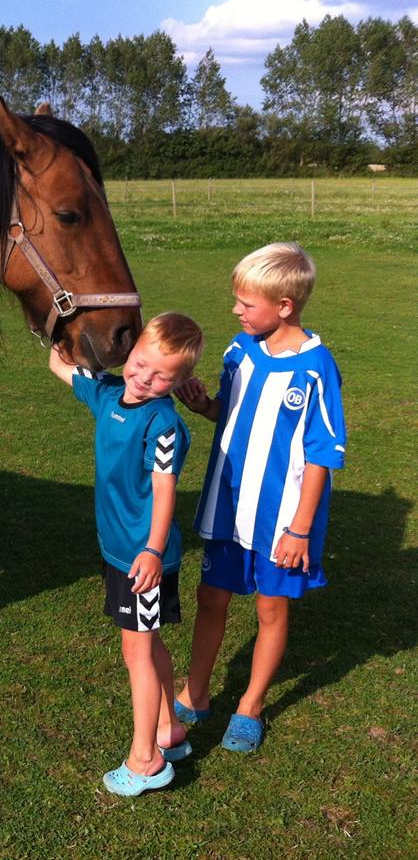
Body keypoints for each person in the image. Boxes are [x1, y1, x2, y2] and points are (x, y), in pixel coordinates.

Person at [172, 242, 346, 754]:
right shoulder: (238, 350)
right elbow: (233, 412)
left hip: (281, 520)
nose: (236, 311)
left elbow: (322, 453)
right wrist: (207, 406)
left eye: (246, 304)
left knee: (271, 608)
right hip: (228, 505)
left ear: (285, 306)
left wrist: (300, 529)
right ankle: (196, 692)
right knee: (211, 599)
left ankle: (249, 705)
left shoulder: (316, 367)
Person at [49, 312, 204, 796]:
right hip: (117, 552)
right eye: (139, 363)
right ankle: (169, 730)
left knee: (137, 650)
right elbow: (62, 367)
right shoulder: (110, 394)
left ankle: (145, 760)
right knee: (148, 644)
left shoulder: (164, 425)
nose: (143, 378)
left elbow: (164, 491)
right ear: (130, 353)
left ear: (179, 383)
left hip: (145, 562)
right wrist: (57, 327)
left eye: (160, 376)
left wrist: (154, 551)